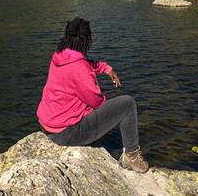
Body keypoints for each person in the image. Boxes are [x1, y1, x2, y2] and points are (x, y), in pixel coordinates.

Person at [36, 17, 149, 173]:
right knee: (127, 104)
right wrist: (109, 110)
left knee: (95, 106)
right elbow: (96, 101)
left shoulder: (60, 56)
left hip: (47, 125)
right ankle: (131, 156)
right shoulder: (80, 68)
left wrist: (106, 68)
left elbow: (84, 64)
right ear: (86, 40)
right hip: (64, 134)